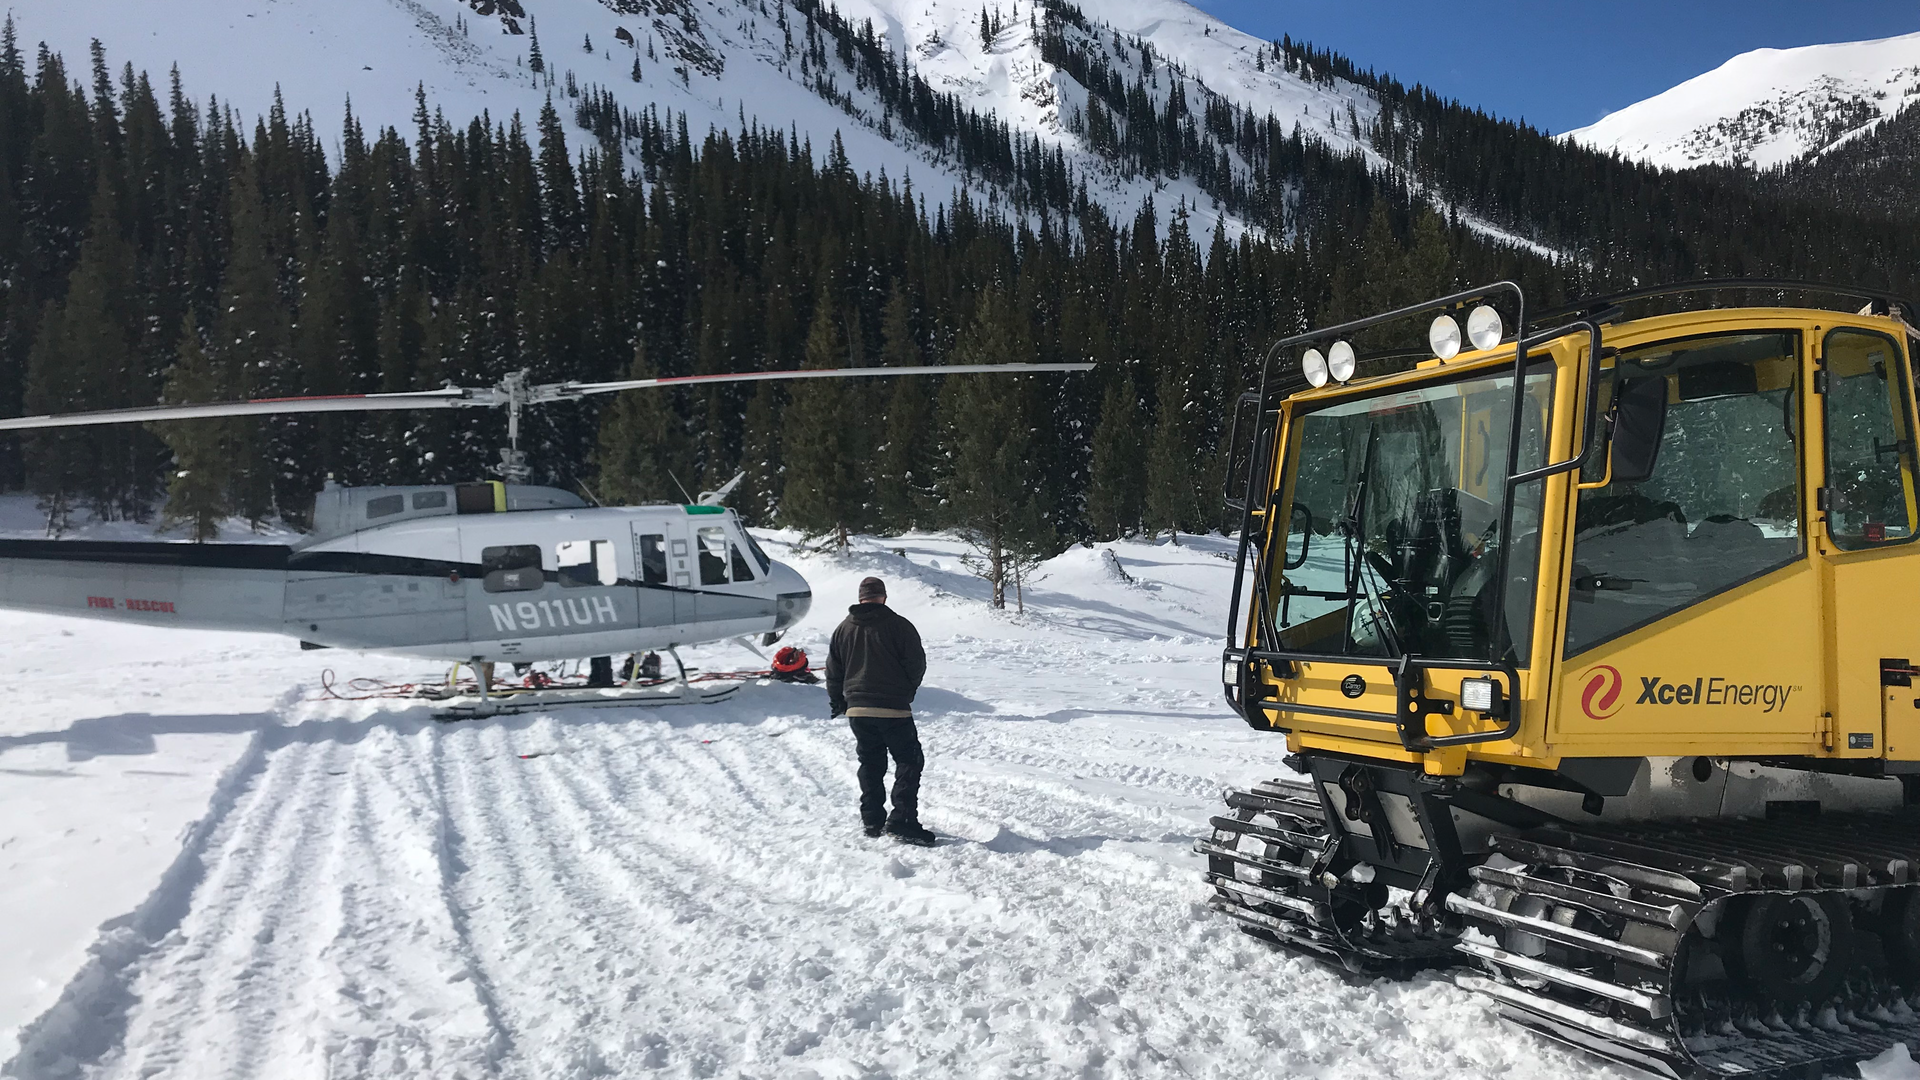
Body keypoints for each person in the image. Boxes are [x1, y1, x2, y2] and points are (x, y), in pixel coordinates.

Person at [826, 576, 933, 846]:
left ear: (861, 598)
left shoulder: (843, 629)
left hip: (857, 709)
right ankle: (903, 820)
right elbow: (916, 663)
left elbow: (833, 671)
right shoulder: (899, 625)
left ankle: (872, 820)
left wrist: (839, 701)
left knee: (871, 763)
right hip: (893, 707)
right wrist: (906, 692)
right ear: (883, 597)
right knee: (909, 761)